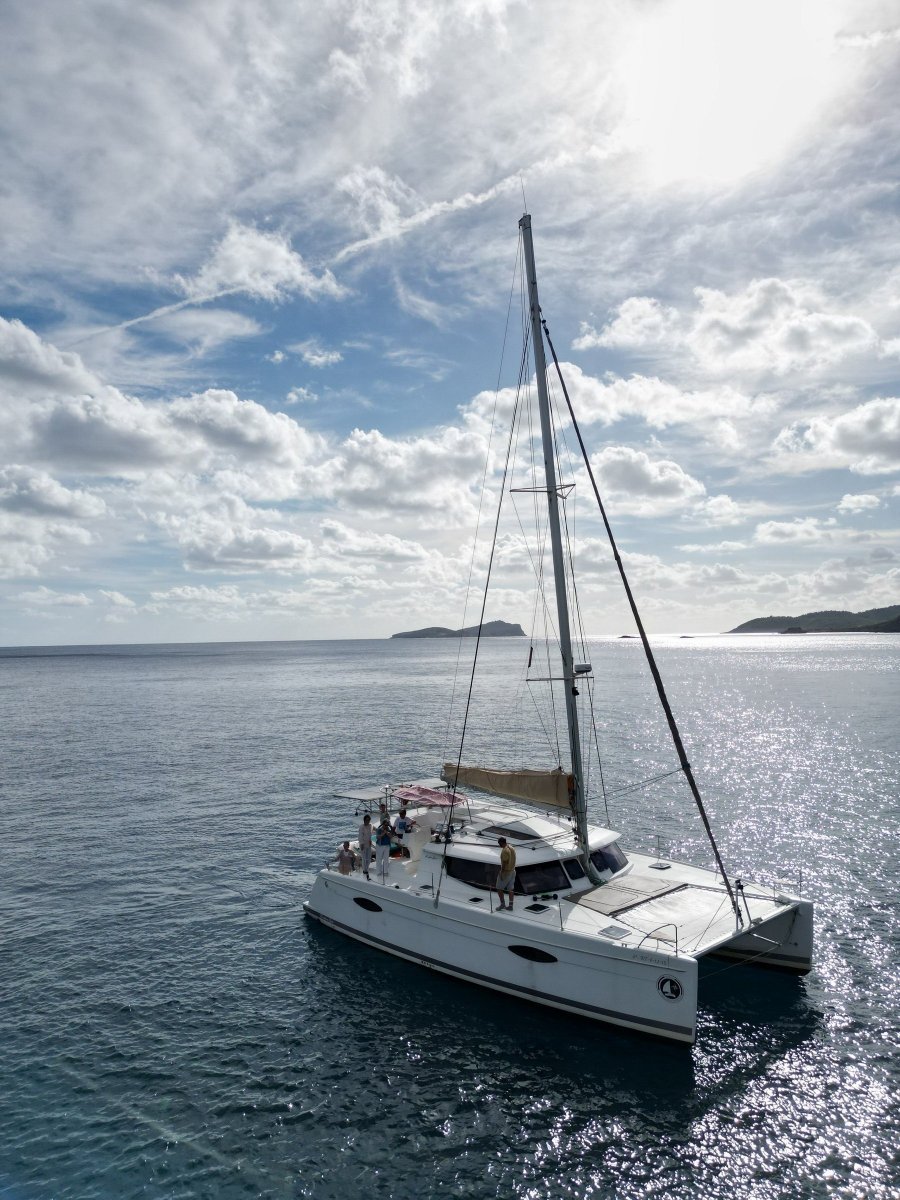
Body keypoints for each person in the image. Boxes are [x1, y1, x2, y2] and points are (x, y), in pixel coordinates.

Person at [496, 837, 517, 910]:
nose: (499, 845)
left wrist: (501, 872)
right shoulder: (511, 847)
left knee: (498, 888)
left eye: (499, 844)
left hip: (506, 872)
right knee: (510, 889)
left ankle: (502, 904)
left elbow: (505, 863)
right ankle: (511, 906)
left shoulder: (505, 850)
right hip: (513, 871)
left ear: (501, 843)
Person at [358, 813, 373, 879]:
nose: (367, 821)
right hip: (363, 844)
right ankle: (365, 870)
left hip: (369, 844)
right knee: (364, 858)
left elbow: (371, 833)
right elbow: (360, 836)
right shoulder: (361, 827)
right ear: (364, 820)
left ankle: (367, 868)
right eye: (366, 820)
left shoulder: (370, 826)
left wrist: (370, 840)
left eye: (368, 820)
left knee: (369, 858)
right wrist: (361, 844)